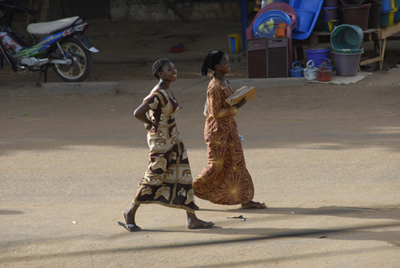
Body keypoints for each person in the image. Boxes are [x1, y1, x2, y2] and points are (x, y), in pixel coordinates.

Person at [121, 59, 214, 232]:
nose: (174, 71)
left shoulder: (167, 91)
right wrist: (150, 124)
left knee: (184, 175)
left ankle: (191, 218)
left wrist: (152, 123)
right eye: (169, 69)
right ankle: (129, 212)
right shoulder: (158, 93)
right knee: (154, 177)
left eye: (174, 68)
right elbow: (138, 113)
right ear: (160, 74)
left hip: (174, 139)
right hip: (161, 143)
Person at [193, 50, 266, 209]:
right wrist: (237, 107)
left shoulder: (224, 82)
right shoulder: (213, 87)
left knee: (238, 162)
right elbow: (215, 113)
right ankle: (188, 191)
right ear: (218, 67)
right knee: (215, 167)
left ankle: (245, 199)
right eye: (226, 63)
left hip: (230, 129)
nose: (229, 65)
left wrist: (239, 99)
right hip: (217, 132)